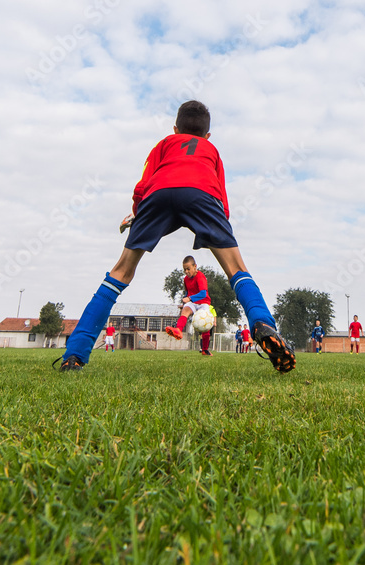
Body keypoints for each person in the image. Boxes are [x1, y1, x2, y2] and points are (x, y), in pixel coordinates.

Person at [53, 100, 296, 372]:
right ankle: (263, 323)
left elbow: (142, 184)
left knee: (121, 272)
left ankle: (74, 354)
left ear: (175, 129)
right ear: (207, 136)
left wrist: (138, 213)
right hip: (202, 195)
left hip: (158, 194)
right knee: (236, 269)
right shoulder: (212, 150)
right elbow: (222, 196)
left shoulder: (164, 144)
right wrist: (220, 225)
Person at [166, 255, 214, 355]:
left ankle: (205, 350)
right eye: (184, 270)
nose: (186, 272)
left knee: (206, 325)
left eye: (188, 269)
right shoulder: (186, 279)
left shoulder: (200, 276)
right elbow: (188, 293)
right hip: (192, 302)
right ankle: (178, 330)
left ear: (195, 266)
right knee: (185, 311)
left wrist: (189, 298)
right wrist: (184, 302)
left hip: (203, 303)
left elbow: (203, 293)